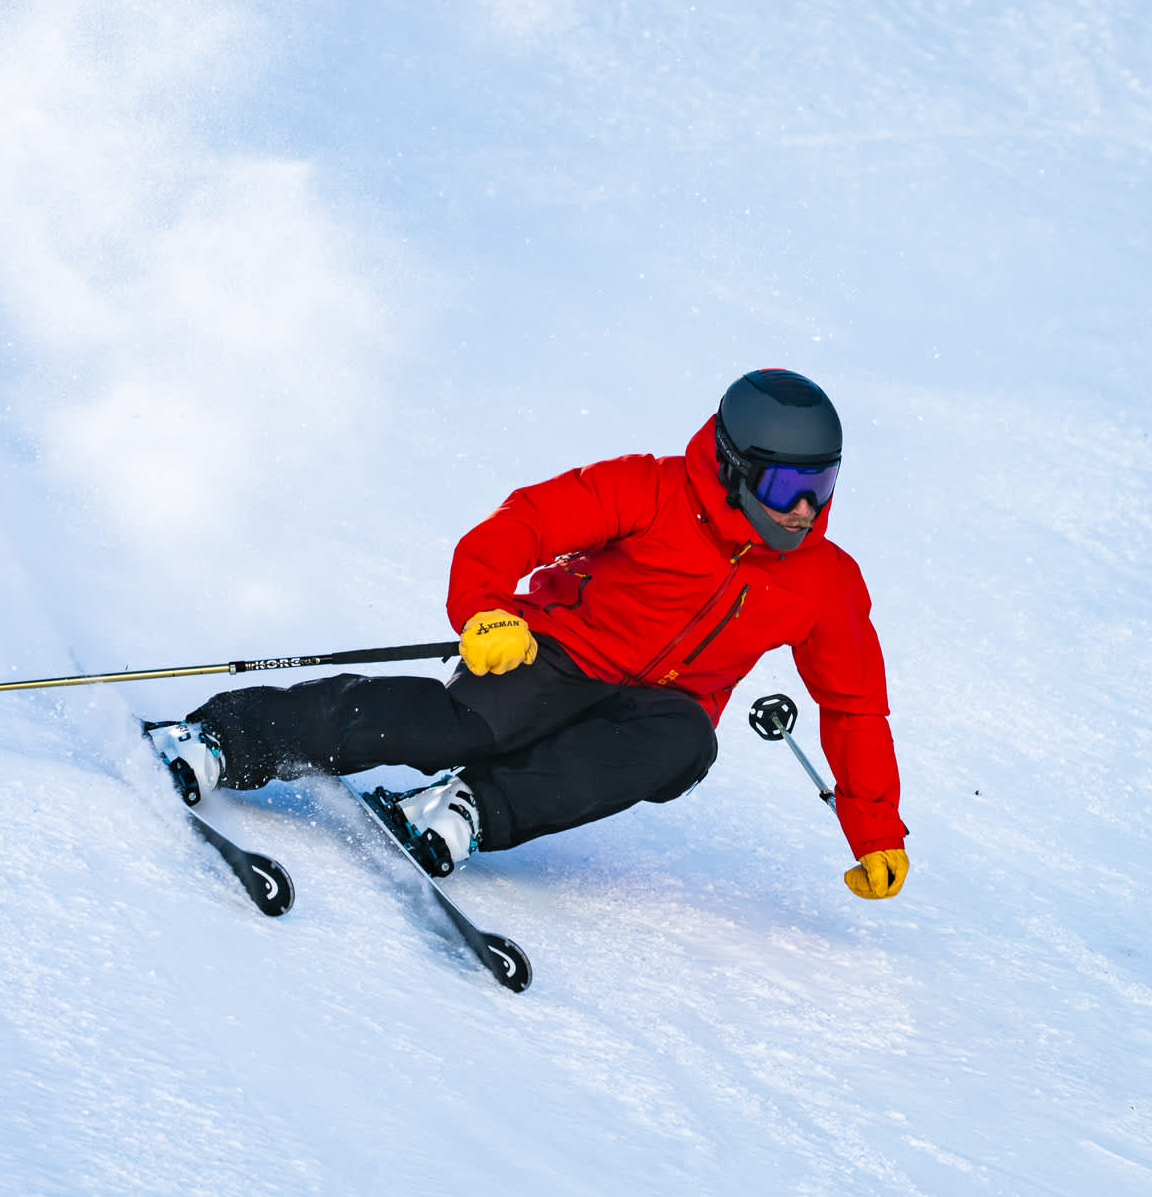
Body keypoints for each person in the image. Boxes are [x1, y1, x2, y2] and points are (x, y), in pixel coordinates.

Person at [148, 369, 908, 900]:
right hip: (556, 654)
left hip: (657, 709)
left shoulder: (825, 579)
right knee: (460, 726)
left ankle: (469, 810)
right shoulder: (649, 490)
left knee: (685, 746)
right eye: (788, 488)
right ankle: (227, 736)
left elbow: (854, 706)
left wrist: (875, 831)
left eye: (824, 487)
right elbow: (527, 523)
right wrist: (484, 608)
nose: (807, 510)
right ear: (735, 467)